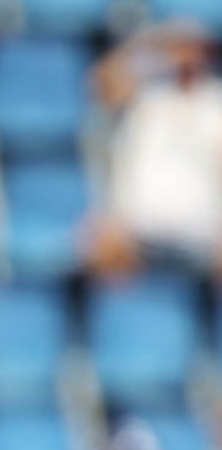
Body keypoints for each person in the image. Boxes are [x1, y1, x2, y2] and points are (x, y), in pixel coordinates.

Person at [85, 21, 222, 279]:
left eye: (193, 48)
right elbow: (99, 84)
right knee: (99, 245)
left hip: (202, 226)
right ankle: (125, 316)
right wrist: (148, 43)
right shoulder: (145, 97)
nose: (185, 57)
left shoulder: (215, 101)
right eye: (178, 48)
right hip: (137, 225)